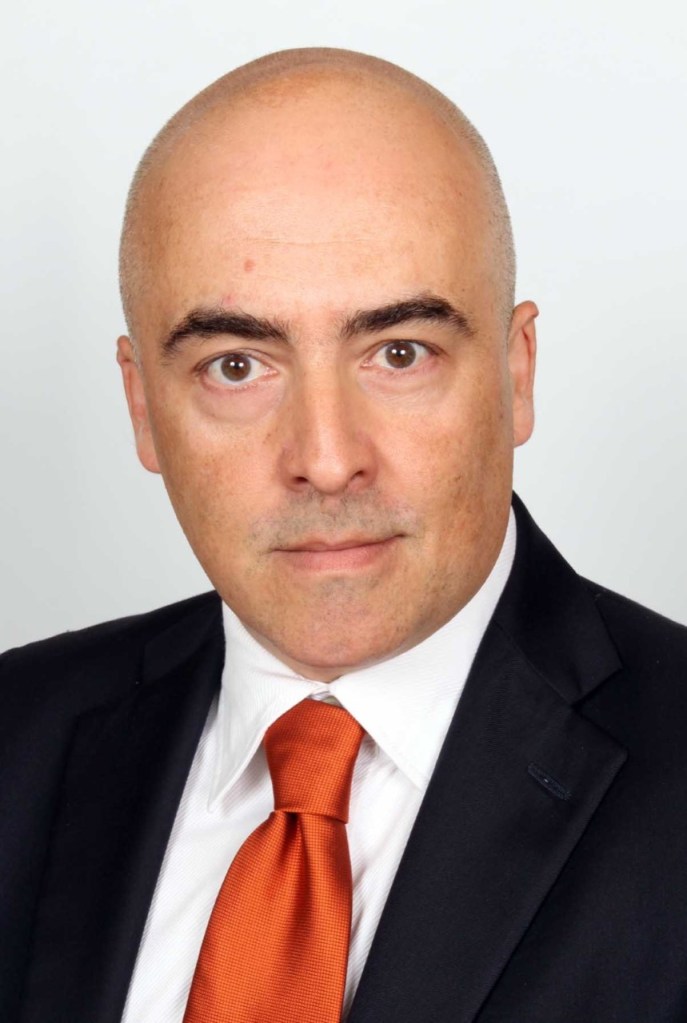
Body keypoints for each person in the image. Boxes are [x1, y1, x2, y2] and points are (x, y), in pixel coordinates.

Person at [1, 46, 686, 1023]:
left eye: (399, 353)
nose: (325, 459)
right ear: (142, 406)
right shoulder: (18, 736)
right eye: (236, 366)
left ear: (517, 372)